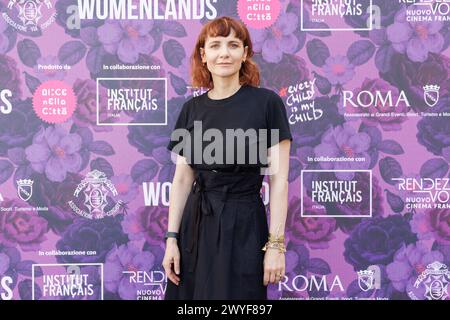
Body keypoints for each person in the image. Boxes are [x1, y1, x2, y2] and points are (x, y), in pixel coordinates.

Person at [163, 16, 292, 300]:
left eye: (234, 45)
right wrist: (171, 240)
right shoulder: (191, 109)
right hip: (196, 230)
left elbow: (279, 181)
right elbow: (183, 179)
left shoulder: (267, 104)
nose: (224, 53)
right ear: (203, 55)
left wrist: (275, 245)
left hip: (244, 227)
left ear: (244, 53)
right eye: (215, 45)